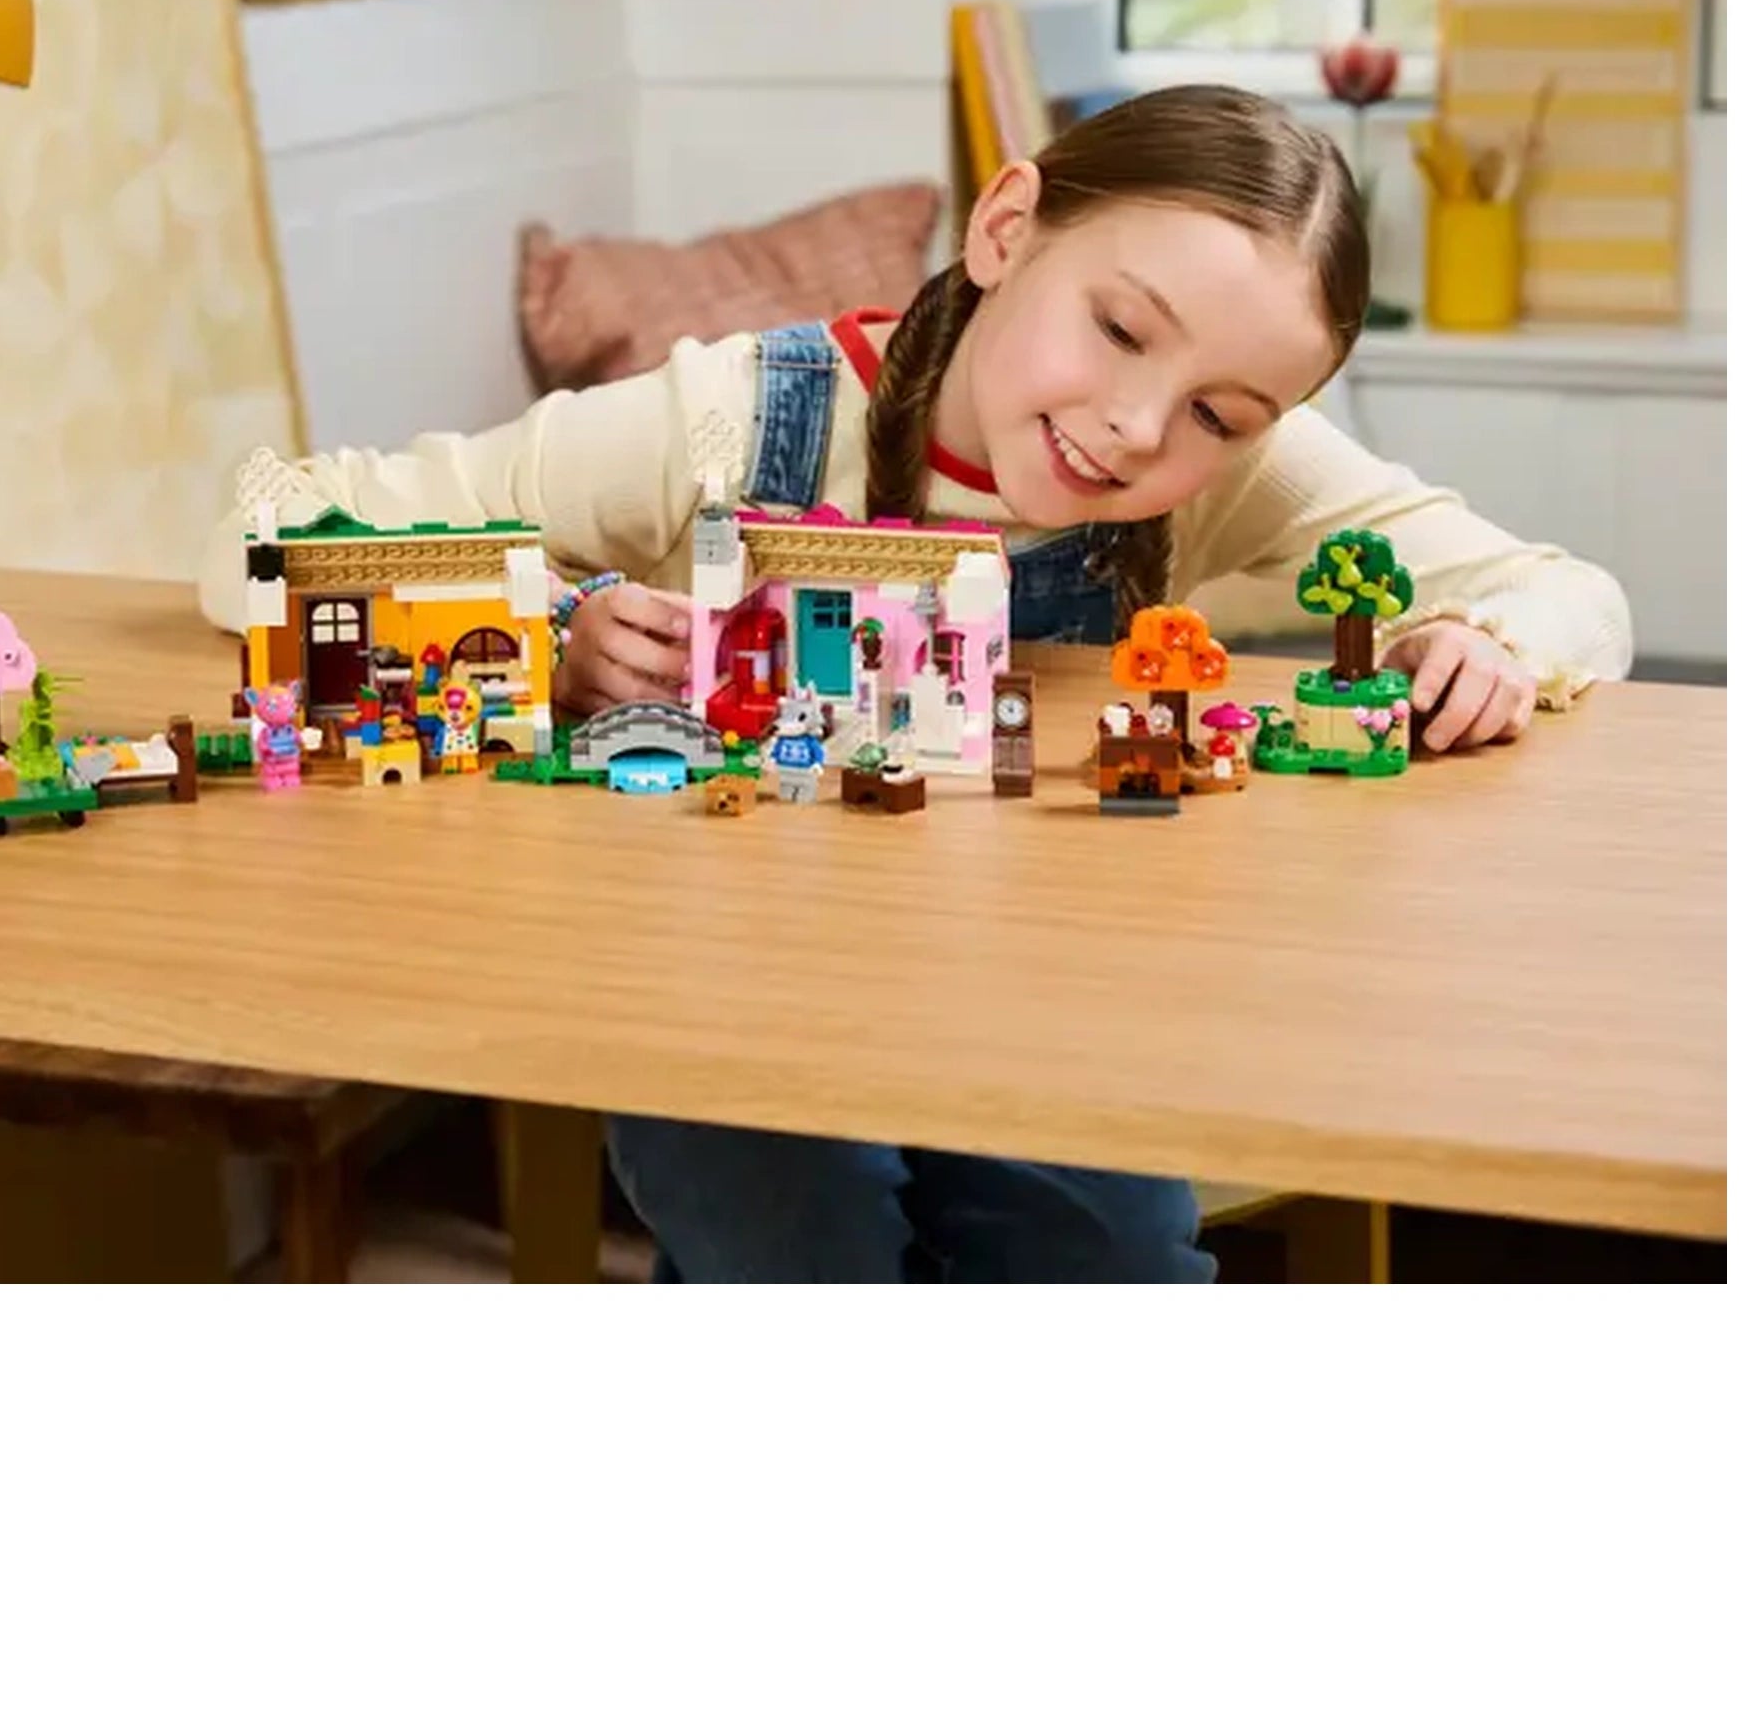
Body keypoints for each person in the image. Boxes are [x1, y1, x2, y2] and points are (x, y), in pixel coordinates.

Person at [196, 87, 1633, 1281]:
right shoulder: (735, 412)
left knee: (1111, 1264)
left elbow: (1575, 595)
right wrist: (544, 618)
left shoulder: (1227, 479)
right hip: (728, 997)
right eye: (1121, 331)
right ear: (1008, 228)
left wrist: (1491, 647)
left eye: (1218, 412)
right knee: (792, 1248)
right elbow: (259, 533)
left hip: (1041, 992)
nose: (1137, 428)